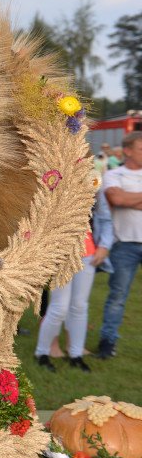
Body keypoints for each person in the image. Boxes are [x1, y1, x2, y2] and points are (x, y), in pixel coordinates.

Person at [35, 186, 112, 372]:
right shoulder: (56, 182)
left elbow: (106, 219)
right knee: (59, 307)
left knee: (79, 305)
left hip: (88, 254)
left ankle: (76, 354)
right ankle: (42, 352)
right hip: (61, 254)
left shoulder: (94, 184)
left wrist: (104, 246)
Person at [98, 131, 142, 359]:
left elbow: (123, 199)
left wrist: (129, 199)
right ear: (127, 151)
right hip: (124, 244)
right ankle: (108, 341)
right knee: (118, 296)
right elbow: (116, 199)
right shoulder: (113, 174)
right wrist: (124, 199)